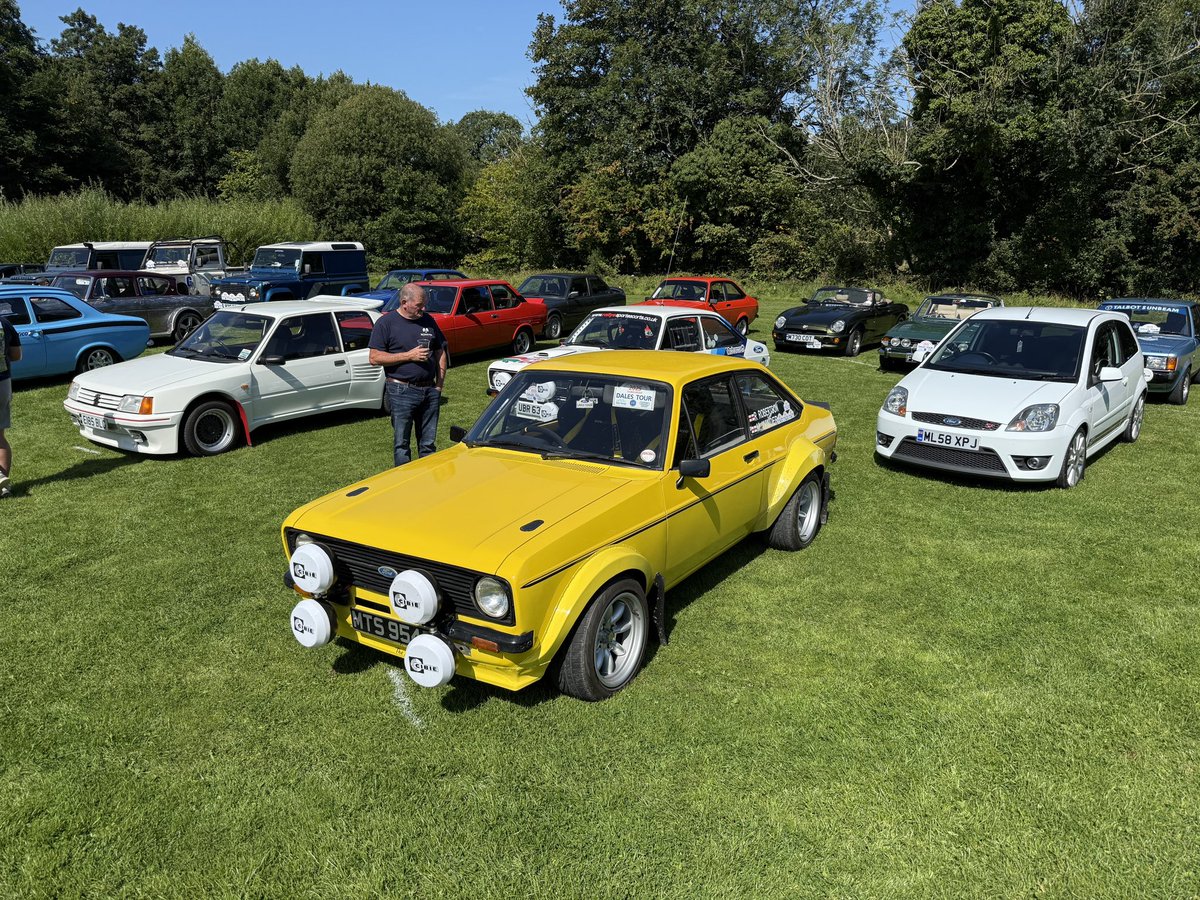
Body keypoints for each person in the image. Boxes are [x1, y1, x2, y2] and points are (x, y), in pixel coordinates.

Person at [368, 282, 448, 466]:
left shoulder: (428, 320)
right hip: (401, 390)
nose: (423, 308)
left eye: (424, 304)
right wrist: (408, 355)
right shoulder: (385, 323)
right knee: (402, 444)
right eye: (419, 305)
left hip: (429, 390)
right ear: (404, 302)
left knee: (428, 444)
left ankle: (427, 480)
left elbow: (440, 351)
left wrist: (439, 385)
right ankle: (403, 484)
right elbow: (374, 357)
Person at [0, 313, 22, 498]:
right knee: (0, 436)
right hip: (2, 383)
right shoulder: (4, 323)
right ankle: (2, 484)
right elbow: (16, 355)